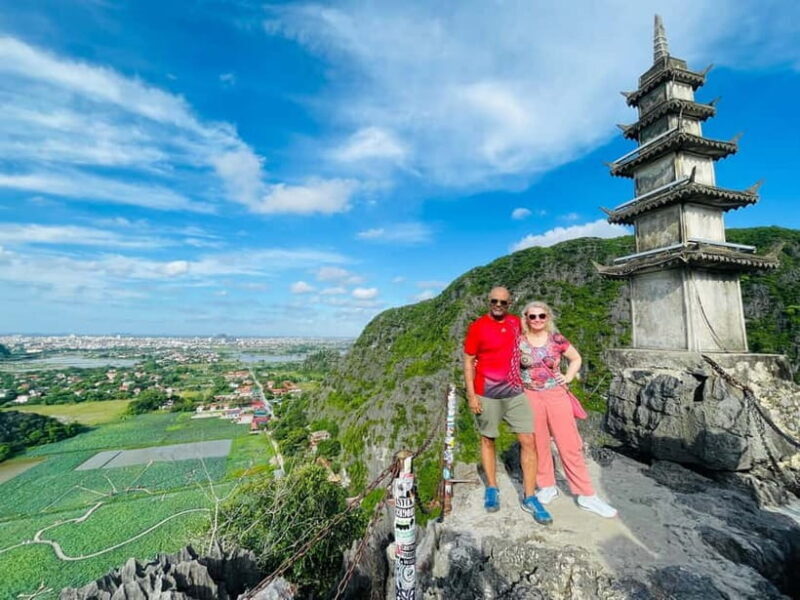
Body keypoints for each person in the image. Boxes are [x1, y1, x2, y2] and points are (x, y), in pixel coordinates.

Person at [518, 300, 617, 518]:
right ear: (525, 318)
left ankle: (586, 494)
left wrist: (569, 377)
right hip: (530, 397)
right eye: (531, 316)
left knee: (569, 443)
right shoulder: (518, 342)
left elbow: (575, 358)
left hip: (556, 395)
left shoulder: (557, 340)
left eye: (541, 316)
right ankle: (546, 485)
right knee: (538, 443)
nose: (536, 320)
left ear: (548, 317)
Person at [463, 287, 552, 524]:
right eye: (494, 300)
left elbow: (539, 332)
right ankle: (492, 487)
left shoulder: (515, 323)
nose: (498, 304)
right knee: (487, 439)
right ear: (488, 301)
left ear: (510, 302)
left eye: (503, 301)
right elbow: (469, 361)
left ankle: (530, 496)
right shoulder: (477, 327)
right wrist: (471, 395)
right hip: (487, 393)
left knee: (528, 440)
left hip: (515, 393)